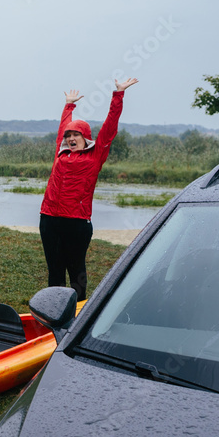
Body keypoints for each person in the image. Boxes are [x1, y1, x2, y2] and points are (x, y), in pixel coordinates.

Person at [39, 78, 139, 300]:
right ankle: (53, 314)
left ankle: (78, 317)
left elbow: (110, 126)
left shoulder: (96, 154)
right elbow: (62, 128)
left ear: (86, 137)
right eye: (69, 135)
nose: (71, 138)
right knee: (55, 271)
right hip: (49, 219)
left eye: (76, 135)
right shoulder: (61, 152)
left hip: (76, 222)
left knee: (76, 272)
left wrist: (118, 94)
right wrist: (69, 105)